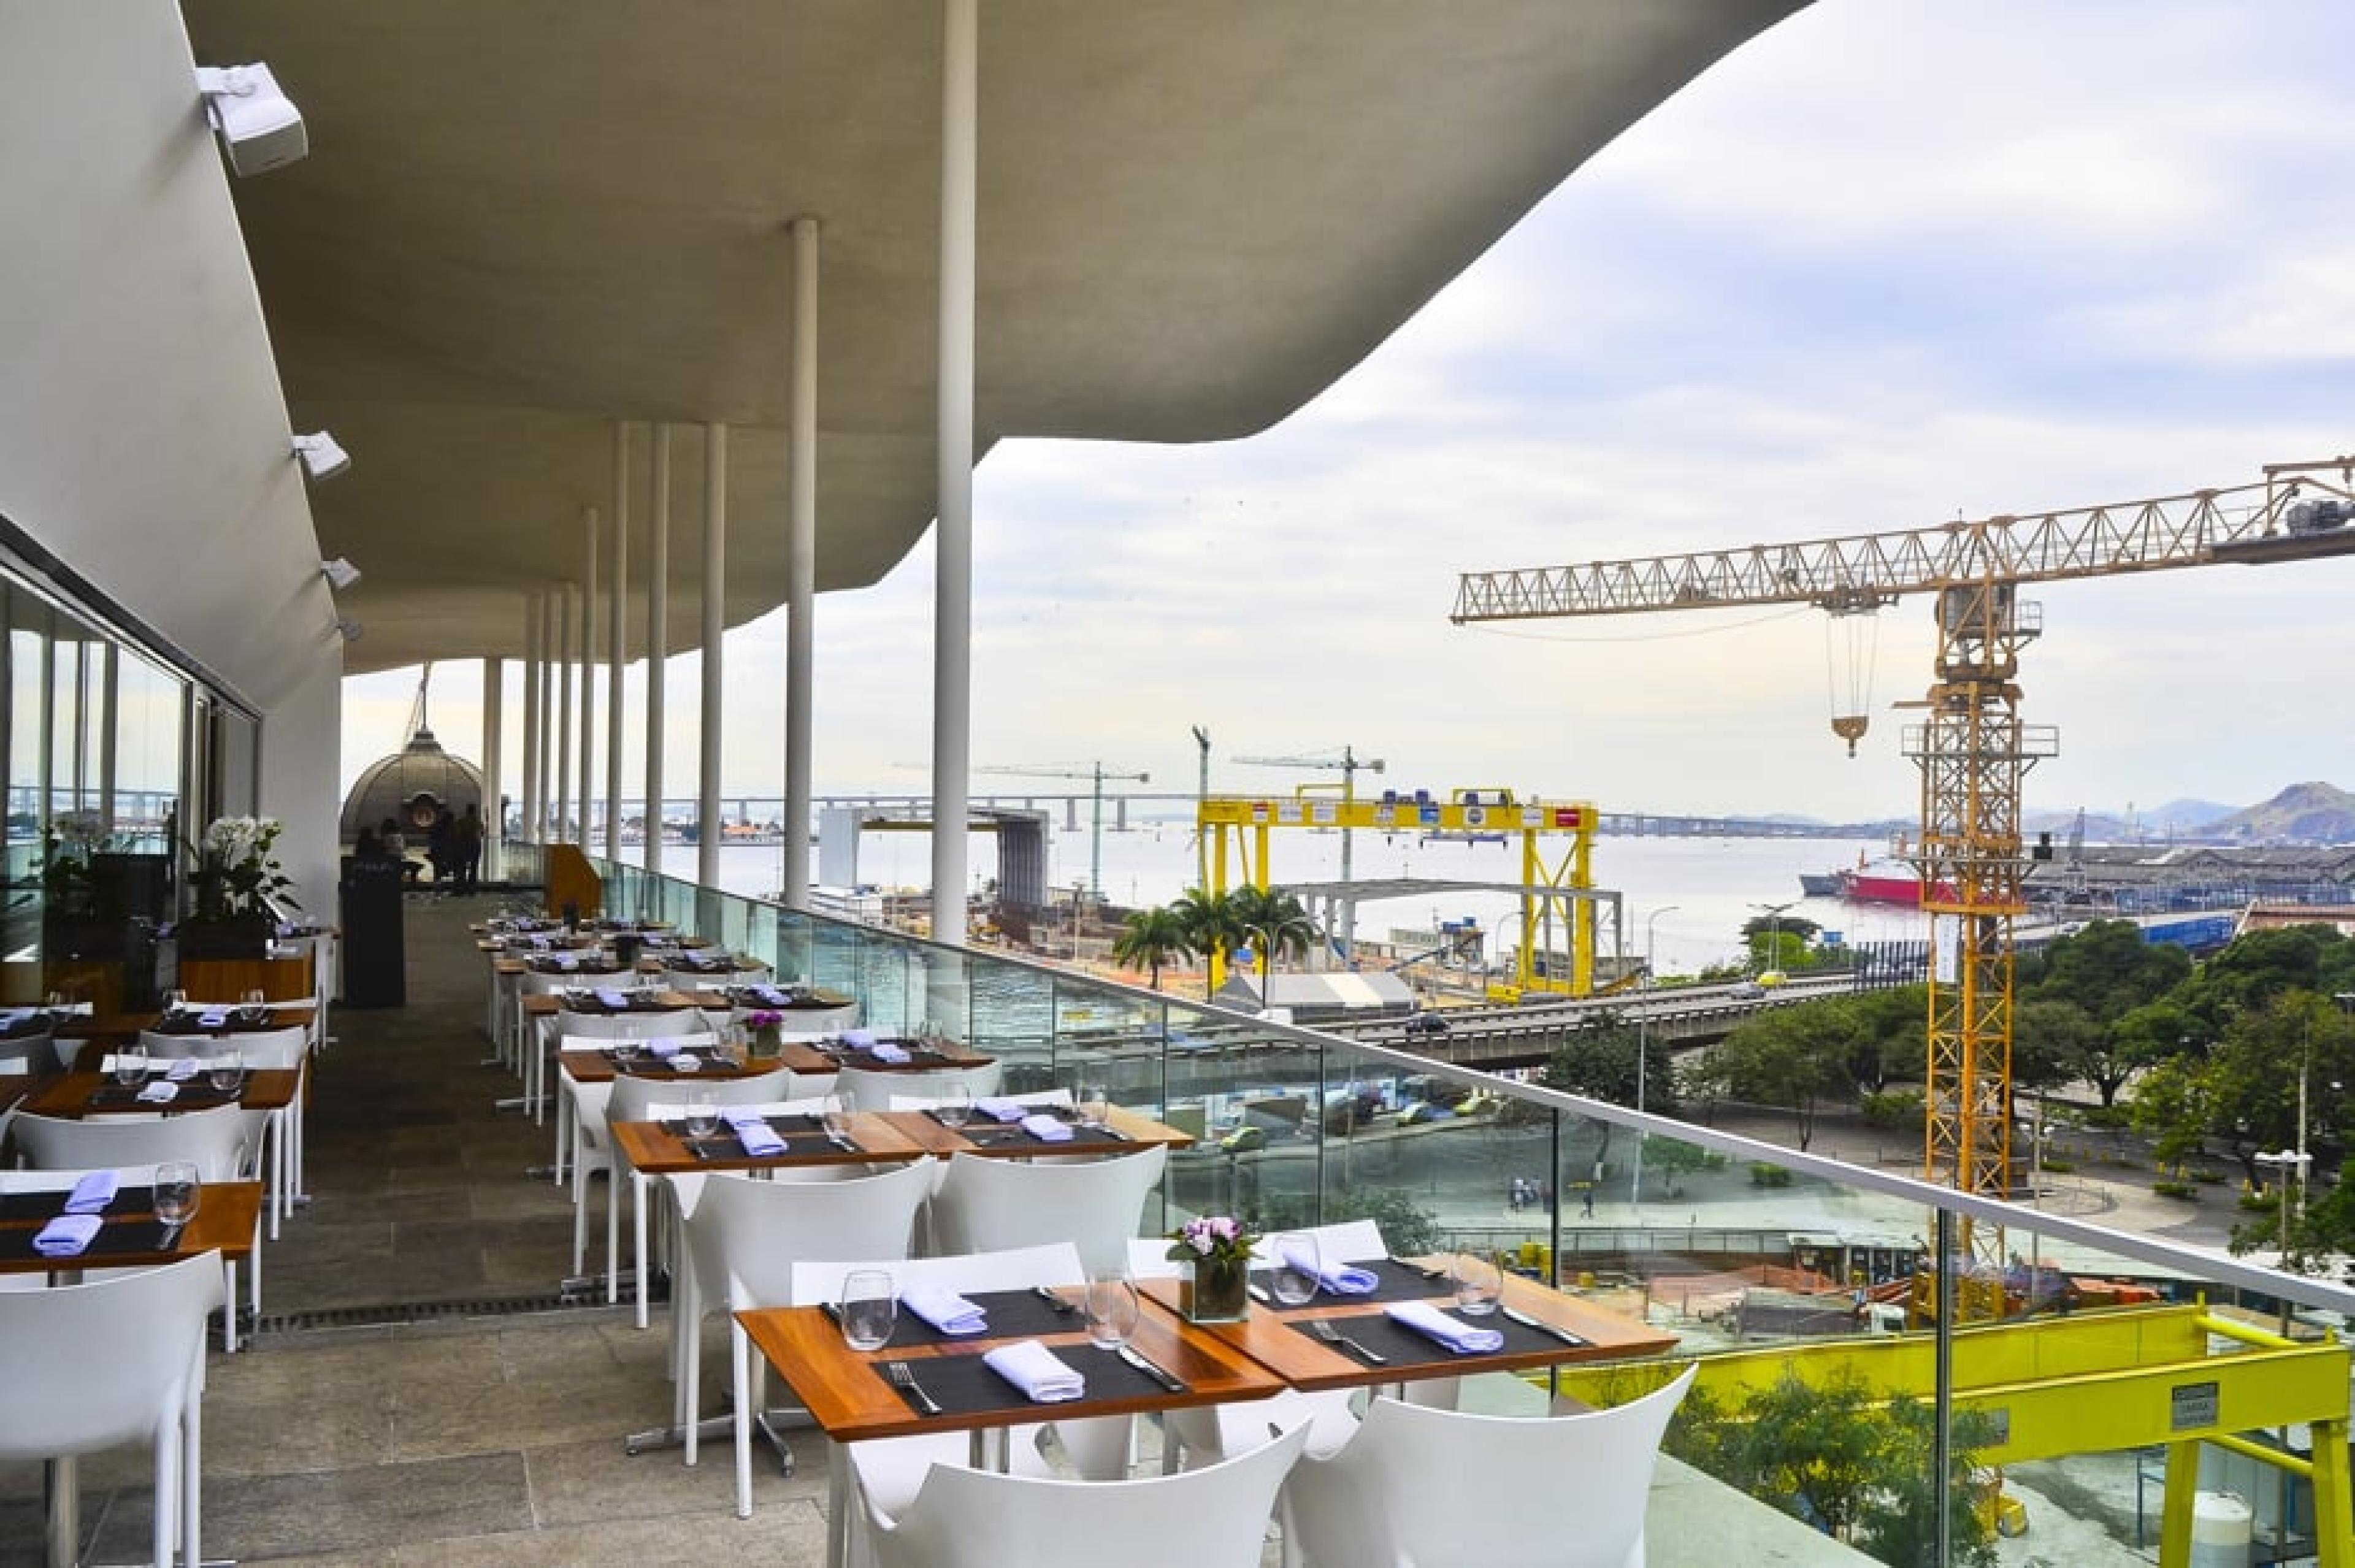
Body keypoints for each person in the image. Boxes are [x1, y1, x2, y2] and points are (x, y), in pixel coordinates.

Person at [451, 803, 484, 894]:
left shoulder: (461, 822)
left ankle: (461, 888)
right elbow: (481, 834)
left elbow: (457, 834)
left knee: (462, 868)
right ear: (474, 811)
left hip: (463, 846)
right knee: (474, 868)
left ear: (467, 811)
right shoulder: (478, 823)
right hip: (475, 846)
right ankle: (472, 889)